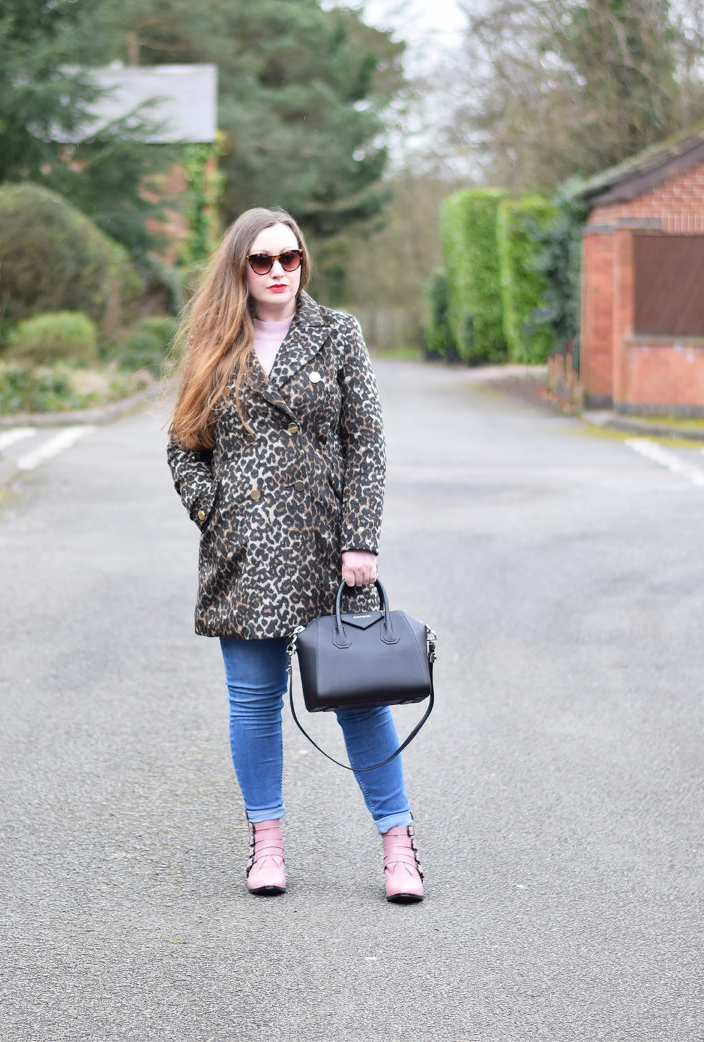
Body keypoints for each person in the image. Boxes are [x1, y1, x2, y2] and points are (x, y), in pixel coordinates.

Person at [166, 207, 424, 903]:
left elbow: (365, 441)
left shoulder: (338, 333)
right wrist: (213, 512)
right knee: (253, 706)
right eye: (262, 261)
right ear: (239, 269)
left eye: (291, 258)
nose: (279, 272)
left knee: (362, 702)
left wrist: (360, 538)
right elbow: (183, 446)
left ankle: (399, 849)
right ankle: (267, 847)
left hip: (328, 553)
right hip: (244, 556)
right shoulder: (213, 341)